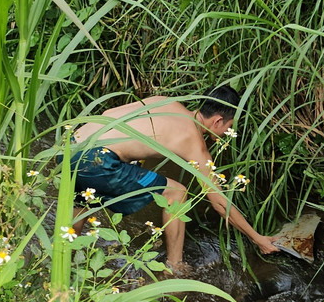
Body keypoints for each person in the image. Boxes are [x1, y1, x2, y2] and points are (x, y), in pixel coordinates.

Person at [67, 85, 279, 273]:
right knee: (177, 192)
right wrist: (257, 238)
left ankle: (65, 255)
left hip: (72, 144)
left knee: (86, 199)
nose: (228, 132)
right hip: (97, 159)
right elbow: (219, 203)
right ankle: (175, 266)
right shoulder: (194, 142)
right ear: (217, 120)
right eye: (229, 126)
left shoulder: (165, 102)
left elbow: (109, 113)